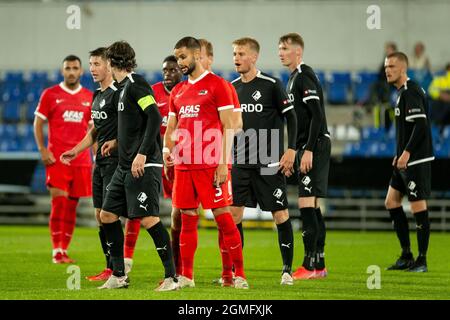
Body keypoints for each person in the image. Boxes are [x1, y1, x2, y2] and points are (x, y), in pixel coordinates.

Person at [164, 36, 247, 289]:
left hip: (211, 163)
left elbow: (230, 126)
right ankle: (187, 277)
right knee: (187, 217)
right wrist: (168, 150)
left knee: (223, 217)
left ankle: (237, 275)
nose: (180, 63)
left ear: (197, 55)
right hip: (184, 165)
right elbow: (171, 127)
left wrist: (223, 163)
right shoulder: (177, 91)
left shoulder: (217, 85)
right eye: (177, 58)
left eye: (183, 57)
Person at [98, 41, 178, 291]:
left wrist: (142, 154)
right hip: (124, 165)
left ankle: (171, 278)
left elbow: (154, 116)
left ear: (112, 63)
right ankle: (119, 275)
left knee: (148, 219)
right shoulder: (121, 89)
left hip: (144, 164)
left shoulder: (136, 85)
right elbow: (135, 125)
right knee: (107, 215)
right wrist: (116, 142)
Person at [60, 47, 140, 281]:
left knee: (111, 215)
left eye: (96, 64)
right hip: (100, 163)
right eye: (91, 64)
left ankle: (118, 269)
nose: (92, 69)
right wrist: (76, 150)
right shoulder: (97, 95)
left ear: (108, 65)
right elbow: (94, 130)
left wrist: (117, 142)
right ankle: (111, 266)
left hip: (117, 162)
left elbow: (133, 126)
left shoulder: (120, 93)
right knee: (99, 215)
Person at [230, 37, 297, 286]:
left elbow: (293, 118)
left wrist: (291, 150)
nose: (236, 58)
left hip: (269, 163)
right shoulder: (232, 87)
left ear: (254, 57)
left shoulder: (271, 85)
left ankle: (287, 271)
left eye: (241, 54)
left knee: (280, 214)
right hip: (239, 162)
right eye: (234, 53)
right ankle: (238, 273)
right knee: (234, 216)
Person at [278, 33, 330, 280]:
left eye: (285, 48)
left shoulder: (304, 76)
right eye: (279, 48)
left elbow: (317, 115)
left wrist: (308, 149)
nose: (280, 52)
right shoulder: (293, 78)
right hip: (306, 147)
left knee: (307, 205)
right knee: (313, 207)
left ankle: (309, 266)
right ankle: (318, 264)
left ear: (298, 52)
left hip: (315, 145)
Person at [33, 55, 93, 264]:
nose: (71, 72)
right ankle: (56, 250)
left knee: (71, 206)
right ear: (62, 71)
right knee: (59, 202)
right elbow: (37, 123)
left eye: (75, 68)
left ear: (81, 72)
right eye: (67, 68)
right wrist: (42, 149)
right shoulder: (50, 94)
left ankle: (64, 249)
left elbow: (93, 131)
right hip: (57, 159)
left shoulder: (89, 97)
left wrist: (97, 156)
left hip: (81, 160)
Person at [197, 38, 243, 287]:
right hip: (189, 163)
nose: (197, 61)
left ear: (210, 58)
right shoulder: (187, 88)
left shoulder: (223, 86)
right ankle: (180, 274)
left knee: (221, 216)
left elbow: (237, 125)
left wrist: (218, 153)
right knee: (181, 216)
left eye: (200, 56)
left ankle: (230, 274)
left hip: (216, 161)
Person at [384, 52, 434, 273]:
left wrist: (406, 153)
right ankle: (406, 254)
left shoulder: (411, 91)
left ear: (403, 69)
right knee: (391, 202)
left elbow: (421, 125)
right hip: (403, 160)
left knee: (417, 207)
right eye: (386, 66)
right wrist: (400, 154)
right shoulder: (402, 93)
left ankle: (421, 260)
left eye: (392, 66)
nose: (388, 70)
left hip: (416, 160)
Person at [151, 55, 183, 276]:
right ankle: (124, 262)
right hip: (156, 160)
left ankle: (180, 266)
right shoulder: (152, 92)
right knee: (140, 210)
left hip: (182, 161)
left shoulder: (188, 93)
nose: (168, 74)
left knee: (179, 213)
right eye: (165, 70)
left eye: (173, 70)